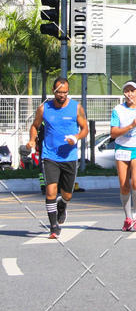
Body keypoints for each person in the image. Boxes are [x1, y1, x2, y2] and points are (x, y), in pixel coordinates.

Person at [27, 77, 88, 239]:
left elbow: (85, 129)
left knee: (67, 194)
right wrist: (32, 140)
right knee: (50, 190)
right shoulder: (44, 108)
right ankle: (54, 226)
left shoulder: (76, 107)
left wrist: (76, 138)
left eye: (65, 92)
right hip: (49, 156)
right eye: (59, 92)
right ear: (53, 91)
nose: (62, 95)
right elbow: (35, 126)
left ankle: (62, 205)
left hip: (69, 157)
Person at [110, 81, 136, 230]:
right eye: (126, 91)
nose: (129, 94)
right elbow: (113, 133)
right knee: (124, 185)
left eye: (132, 91)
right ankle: (127, 218)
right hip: (122, 148)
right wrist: (130, 126)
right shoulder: (118, 110)